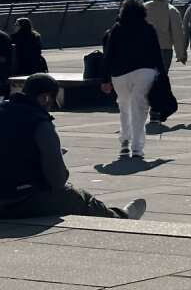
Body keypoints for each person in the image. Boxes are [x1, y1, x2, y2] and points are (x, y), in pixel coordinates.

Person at [0, 74, 146, 221]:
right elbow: (57, 180)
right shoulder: (40, 123)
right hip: (21, 201)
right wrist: (56, 157)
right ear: (45, 97)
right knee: (78, 197)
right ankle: (121, 217)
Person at [100, 0, 164, 160]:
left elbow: (108, 55)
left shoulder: (117, 29)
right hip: (145, 71)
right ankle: (137, 147)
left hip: (120, 74)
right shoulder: (149, 28)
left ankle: (125, 140)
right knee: (140, 108)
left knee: (124, 105)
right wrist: (163, 75)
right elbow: (157, 53)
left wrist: (105, 79)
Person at [145, 0, 185, 79]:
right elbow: (177, 34)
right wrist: (180, 54)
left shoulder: (144, 8)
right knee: (161, 79)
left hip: (146, 49)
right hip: (164, 49)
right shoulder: (171, 10)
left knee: (146, 79)